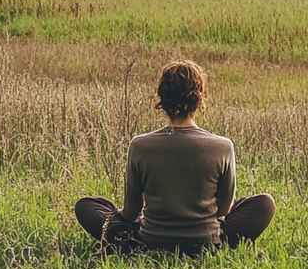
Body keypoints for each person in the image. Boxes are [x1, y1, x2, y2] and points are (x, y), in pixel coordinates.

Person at [75, 60, 275, 255]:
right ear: (200, 99)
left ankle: (131, 246)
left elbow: (130, 212)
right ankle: (217, 243)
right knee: (264, 203)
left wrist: (143, 216)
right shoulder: (222, 146)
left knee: (87, 206)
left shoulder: (140, 145)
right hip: (207, 242)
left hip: (150, 240)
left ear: (162, 96)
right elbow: (223, 210)